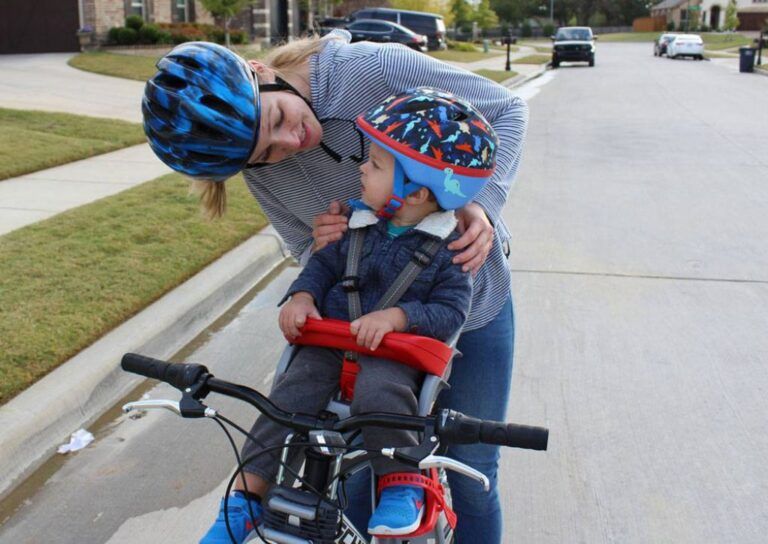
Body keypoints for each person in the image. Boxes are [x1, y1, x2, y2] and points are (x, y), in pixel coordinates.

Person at [143, 31, 527, 543]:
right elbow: (304, 248)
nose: (289, 143)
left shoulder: (367, 70)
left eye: (276, 120)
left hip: (466, 304)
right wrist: (318, 247)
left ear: (259, 71)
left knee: (473, 466)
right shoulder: (262, 172)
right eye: (266, 154)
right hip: (360, 335)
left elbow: (507, 111)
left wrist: (479, 202)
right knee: (357, 464)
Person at [198, 87, 498, 543]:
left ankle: (403, 486)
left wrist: (398, 317)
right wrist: (301, 298)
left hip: (392, 356)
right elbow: (320, 268)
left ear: (414, 193)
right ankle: (246, 499)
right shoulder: (354, 225)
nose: (361, 168)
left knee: (380, 393)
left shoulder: (445, 250)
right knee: (289, 394)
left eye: (375, 165)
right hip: (332, 342)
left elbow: (451, 312)